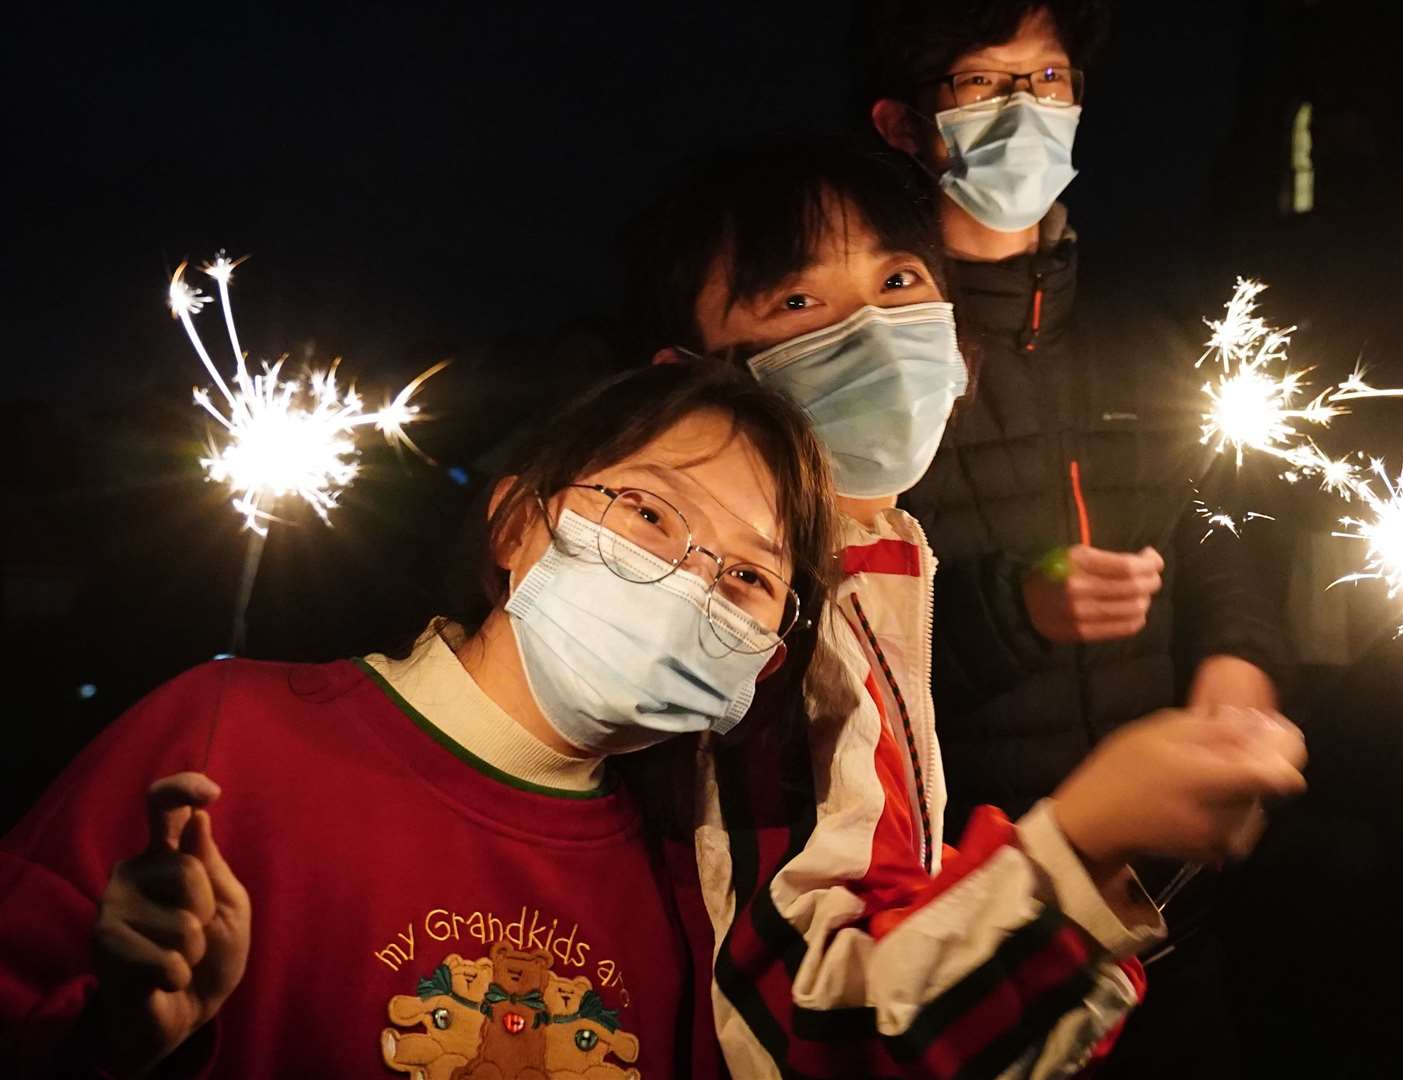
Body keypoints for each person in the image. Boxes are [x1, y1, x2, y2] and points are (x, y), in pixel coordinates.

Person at [631, 136, 1307, 1078]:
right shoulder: (731, 623)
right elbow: (819, 1036)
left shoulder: (879, 554)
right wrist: (1081, 844)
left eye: (901, 279)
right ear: (687, 373)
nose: (872, 327)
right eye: (798, 301)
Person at [0, 362, 840, 1077]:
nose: (692, 580)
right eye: (652, 513)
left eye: (747, 577)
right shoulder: (226, 737)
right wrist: (109, 1043)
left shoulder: (700, 895)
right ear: (517, 526)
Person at [855, 1, 1294, 1069]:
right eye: (979, 83)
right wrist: (1011, 608)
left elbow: (1215, 517)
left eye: (1046, 80)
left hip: (1171, 898)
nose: (1023, 110)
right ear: (904, 125)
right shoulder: (872, 351)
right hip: (965, 891)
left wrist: (1240, 667)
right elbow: (826, 630)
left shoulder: (1151, 320)